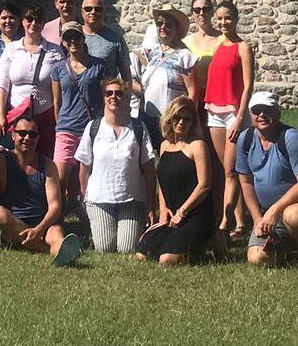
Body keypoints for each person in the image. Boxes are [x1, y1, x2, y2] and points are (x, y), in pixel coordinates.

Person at [235, 90, 298, 265]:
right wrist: (257, 219)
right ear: (250, 114)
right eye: (257, 110)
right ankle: (293, 247)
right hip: (269, 213)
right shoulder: (245, 139)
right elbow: (245, 182)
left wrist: (274, 211)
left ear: (278, 113)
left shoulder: (291, 138)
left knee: (293, 215)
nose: (262, 115)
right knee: (257, 259)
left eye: (268, 110)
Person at [0, 116, 82, 266]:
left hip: (42, 225)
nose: (27, 138)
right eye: (22, 133)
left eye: (32, 134)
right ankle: (44, 249)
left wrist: (39, 229)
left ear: (38, 138)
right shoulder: (2, 161)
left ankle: (64, 255)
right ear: (13, 135)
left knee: (56, 233)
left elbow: (55, 206)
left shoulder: (48, 165)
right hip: (13, 224)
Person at [76, 77, 156, 254]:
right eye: (109, 93)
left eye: (119, 93)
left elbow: (149, 170)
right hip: (99, 200)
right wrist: (84, 198)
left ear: (126, 98)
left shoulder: (138, 127)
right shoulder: (93, 127)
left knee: (127, 248)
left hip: (132, 200)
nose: (113, 97)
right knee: (105, 248)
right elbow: (84, 168)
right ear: (104, 97)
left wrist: (151, 203)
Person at [136, 97, 218, 265]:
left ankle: (208, 242)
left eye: (187, 119)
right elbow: (164, 181)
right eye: (177, 117)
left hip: (196, 214)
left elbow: (205, 185)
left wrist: (182, 212)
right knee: (143, 253)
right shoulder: (165, 145)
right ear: (170, 119)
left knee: (167, 259)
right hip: (173, 217)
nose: (181, 122)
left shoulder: (198, 146)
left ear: (193, 122)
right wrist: (163, 212)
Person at [204, 0, 254, 236]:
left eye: (228, 18)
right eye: (220, 18)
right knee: (226, 170)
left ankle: (225, 224)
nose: (224, 22)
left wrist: (241, 116)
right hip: (214, 111)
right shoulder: (217, 46)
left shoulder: (242, 47)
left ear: (236, 20)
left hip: (233, 112)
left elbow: (247, 85)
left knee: (231, 170)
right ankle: (240, 223)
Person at [0, 6, 62, 158]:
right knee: (17, 157)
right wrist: (0, 115)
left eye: (37, 20)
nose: (33, 23)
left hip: (44, 114)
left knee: (44, 156)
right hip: (17, 113)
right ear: (23, 22)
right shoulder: (11, 49)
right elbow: (2, 85)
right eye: (29, 19)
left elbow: (61, 87)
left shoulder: (55, 52)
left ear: (43, 23)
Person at [52, 21, 103, 218]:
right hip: (66, 128)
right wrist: (60, 125)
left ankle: (91, 219)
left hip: (91, 130)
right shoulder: (58, 68)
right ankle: (57, 219)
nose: (72, 41)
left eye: (76, 36)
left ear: (83, 38)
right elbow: (57, 101)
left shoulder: (98, 65)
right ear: (63, 42)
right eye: (68, 38)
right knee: (60, 178)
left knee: (88, 179)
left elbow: (105, 95)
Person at [139, 6, 198, 152]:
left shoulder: (185, 56)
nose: (163, 27)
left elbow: (193, 93)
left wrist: (187, 122)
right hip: (149, 118)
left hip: (171, 122)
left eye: (168, 24)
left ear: (177, 29)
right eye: (160, 24)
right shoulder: (155, 53)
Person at [80, 0, 132, 84]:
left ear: (104, 13)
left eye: (98, 9)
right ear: (82, 12)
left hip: (105, 96)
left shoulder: (116, 39)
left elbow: (126, 75)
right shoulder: (73, 36)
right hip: (77, 96)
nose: (93, 12)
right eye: (88, 9)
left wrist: (126, 95)